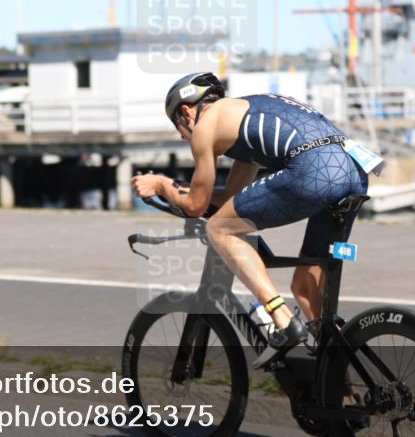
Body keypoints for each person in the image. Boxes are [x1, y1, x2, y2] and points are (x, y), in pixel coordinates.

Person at [131, 72, 373, 368]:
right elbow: (232, 196)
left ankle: (282, 321)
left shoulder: (205, 127)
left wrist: (160, 184)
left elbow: (196, 207)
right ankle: (340, 393)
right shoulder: (242, 117)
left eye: (178, 128)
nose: (183, 136)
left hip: (315, 169)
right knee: (307, 291)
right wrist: (180, 189)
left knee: (219, 229)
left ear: (186, 112)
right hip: (353, 168)